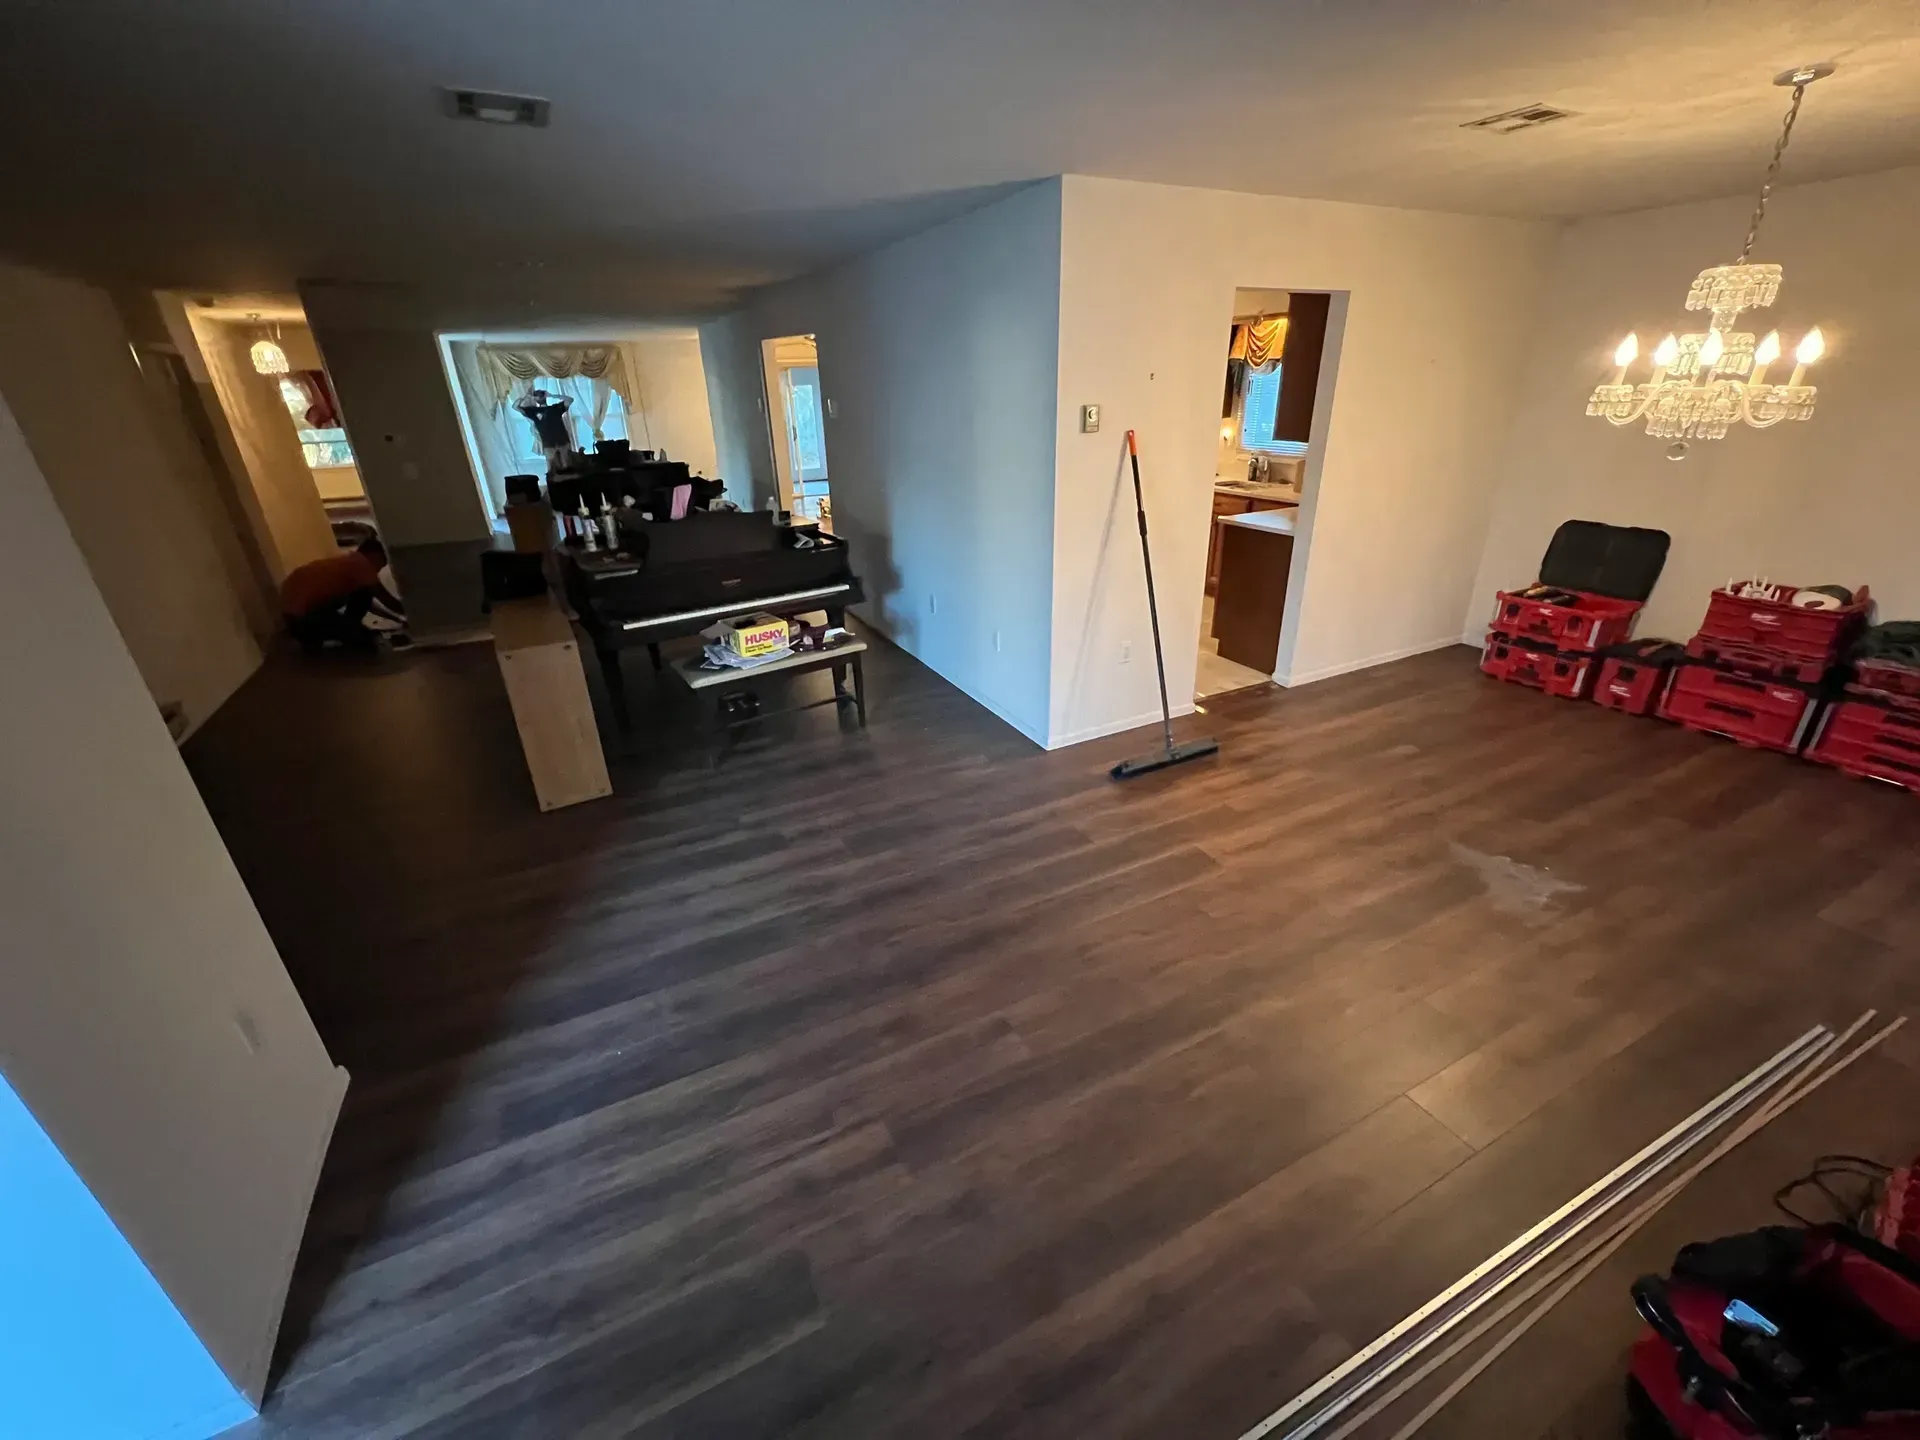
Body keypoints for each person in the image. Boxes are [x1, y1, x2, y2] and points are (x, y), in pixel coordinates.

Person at [281, 536, 407, 651]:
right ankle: (349, 631)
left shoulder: (345, 564)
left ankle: (344, 630)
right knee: (365, 640)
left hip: (295, 625)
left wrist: (395, 619)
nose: (379, 570)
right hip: (305, 621)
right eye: (382, 563)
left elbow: (370, 604)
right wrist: (411, 614)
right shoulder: (360, 564)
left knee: (361, 595)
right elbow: (384, 598)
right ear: (374, 555)